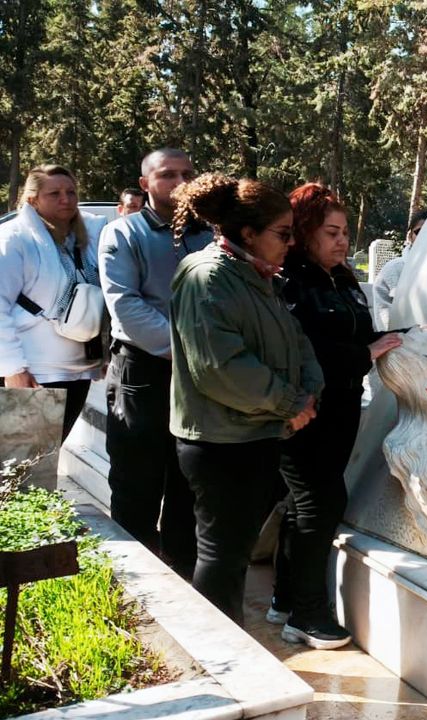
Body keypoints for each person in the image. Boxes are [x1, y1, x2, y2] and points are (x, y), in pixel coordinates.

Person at [168, 173, 324, 626]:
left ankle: (227, 642)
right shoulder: (207, 277)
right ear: (249, 233)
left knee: (235, 555)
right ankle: (216, 654)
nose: (291, 244)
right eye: (283, 233)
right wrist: (289, 404)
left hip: (255, 434)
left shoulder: (256, 276)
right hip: (220, 443)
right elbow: (220, 368)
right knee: (222, 556)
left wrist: (307, 393)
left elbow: (296, 341)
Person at [269, 183, 404, 649]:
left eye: (346, 232)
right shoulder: (289, 281)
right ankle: (307, 614)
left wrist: (407, 336)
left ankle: (286, 596)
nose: (342, 241)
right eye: (331, 232)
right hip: (304, 410)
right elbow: (301, 348)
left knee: (305, 505)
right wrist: (364, 353)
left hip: (342, 408)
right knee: (319, 503)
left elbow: (363, 336)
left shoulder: (342, 280)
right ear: (305, 231)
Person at [99, 148, 208, 579]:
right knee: (137, 485)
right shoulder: (123, 234)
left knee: (187, 483)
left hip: (199, 379)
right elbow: (126, 308)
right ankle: (132, 585)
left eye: (188, 173)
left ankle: (183, 579)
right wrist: (192, 351)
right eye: (168, 175)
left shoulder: (209, 235)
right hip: (144, 372)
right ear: (145, 184)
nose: (180, 182)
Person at [0, 165, 109, 439]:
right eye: (54, 194)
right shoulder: (14, 238)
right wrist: (13, 369)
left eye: (71, 192)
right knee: (24, 461)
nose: (66, 199)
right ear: (33, 199)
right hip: (34, 373)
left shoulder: (87, 237)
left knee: (48, 454)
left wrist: (103, 353)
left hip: (79, 373)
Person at [373, 209, 427, 329]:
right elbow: (386, 323)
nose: (425, 236)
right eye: (419, 232)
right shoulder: (393, 270)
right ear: (410, 236)